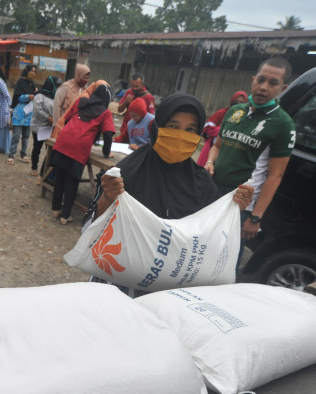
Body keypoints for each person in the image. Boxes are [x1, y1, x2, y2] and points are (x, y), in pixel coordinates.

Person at [84, 93, 254, 297]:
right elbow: (89, 231)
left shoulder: (203, 184)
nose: (181, 135)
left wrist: (233, 209)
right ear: (157, 127)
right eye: (173, 126)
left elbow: (213, 241)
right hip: (119, 290)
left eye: (190, 130)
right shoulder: (126, 174)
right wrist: (107, 199)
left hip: (172, 296)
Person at [204, 57, 295, 268]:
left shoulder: (283, 124)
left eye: (273, 83)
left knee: (223, 265)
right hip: (211, 195)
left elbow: (275, 176)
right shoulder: (235, 112)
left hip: (240, 206)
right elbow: (217, 146)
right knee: (200, 251)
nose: (263, 87)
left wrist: (255, 217)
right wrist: (210, 162)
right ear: (253, 79)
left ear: (283, 87)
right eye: (261, 80)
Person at [51, 83, 116, 224]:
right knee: (72, 181)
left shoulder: (82, 102)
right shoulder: (105, 113)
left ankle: (56, 210)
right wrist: (106, 153)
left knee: (60, 177)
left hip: (63, 140)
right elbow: (108, 134)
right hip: (78, 147)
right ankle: (65, 215)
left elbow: (68, 118)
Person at [196, 90, 247, 166]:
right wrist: (220, 131)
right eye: (236, 101)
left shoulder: (245, 117)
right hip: (212, 144)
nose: (238, 104)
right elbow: (207, 126)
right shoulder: (222, 112)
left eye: (241, 102)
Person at [31, 75, 63, 176]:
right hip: (39, 127)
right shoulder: (39, 96)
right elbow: (37, 110)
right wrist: (48, 118)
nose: (57, 88)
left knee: (49, 150)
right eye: (56, 86)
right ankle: (34, 167)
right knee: (37, 147)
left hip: (51, 127)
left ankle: (44, 172)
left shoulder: (57, 97)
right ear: (51, 85)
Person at [9, 64, 37, 164]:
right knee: (16, 136)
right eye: (31, 71)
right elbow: (17, 97)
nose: (33, 73)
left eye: (34, 71)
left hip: (29, 114)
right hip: (19, 112)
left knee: (26, 136)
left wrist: (35, 94)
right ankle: (11, 155)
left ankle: (23, 154)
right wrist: (27, 96)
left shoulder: (32, 84)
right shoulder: (20, 82)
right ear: (26, 71)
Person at [116, 73, 155, 140]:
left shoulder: (148, 97)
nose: (134, 88)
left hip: (139, 133)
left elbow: (151, 118)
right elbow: (119, 110)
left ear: (142, 85)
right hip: (125, 129)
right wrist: (126, 101)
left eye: (137, 86)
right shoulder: (129, 92)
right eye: (132, 86)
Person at [52, 64, 90, 130]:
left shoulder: (84, 90)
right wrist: (57, 124)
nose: (86, 80)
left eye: (88, 78)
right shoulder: (66, 87)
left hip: (76, 125)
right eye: (84, 78)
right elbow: (57, 105)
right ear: (78, 75)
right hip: (63, 123)